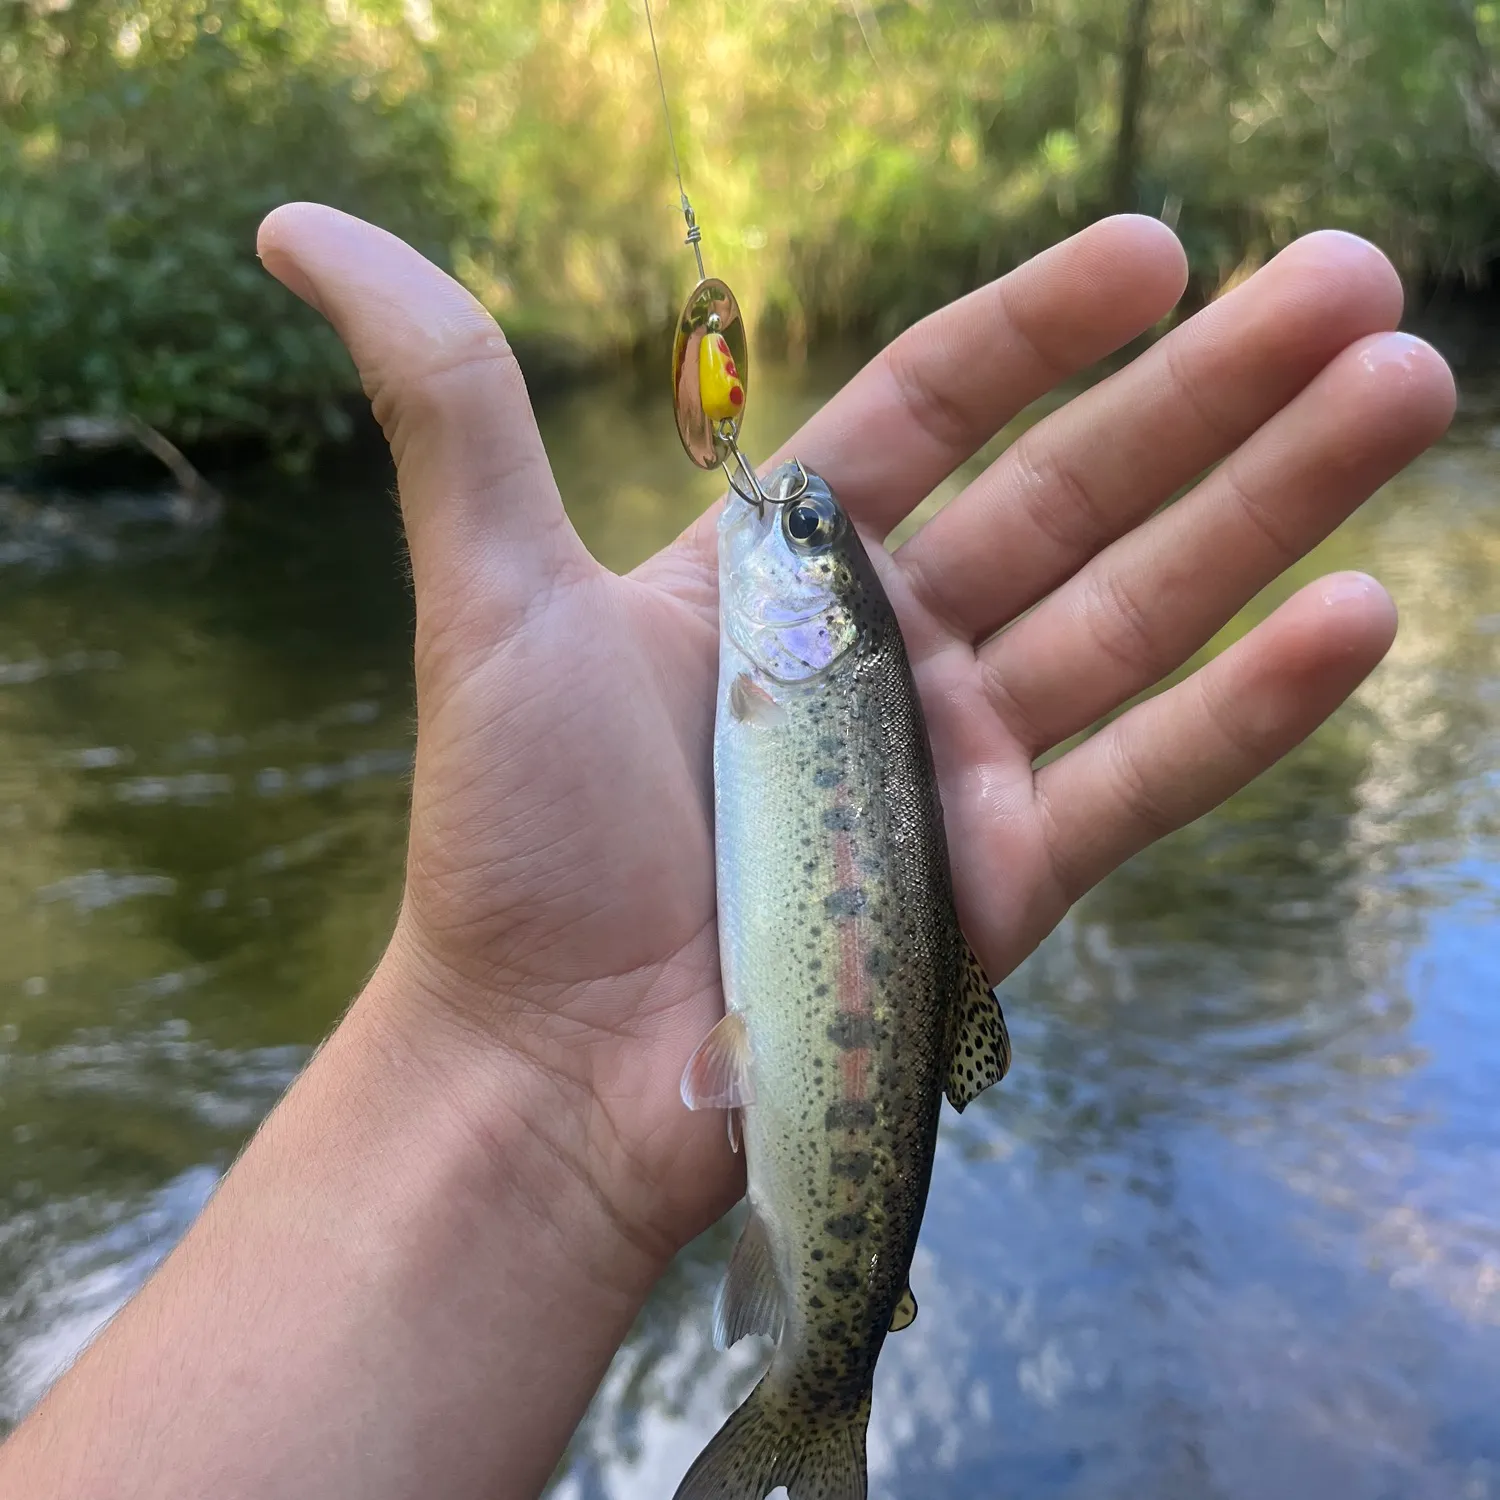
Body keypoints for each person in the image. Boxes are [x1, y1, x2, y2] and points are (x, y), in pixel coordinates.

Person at [0, 205, 1455, 1499]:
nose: (785, 513)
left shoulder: (788, 657)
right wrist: (514, 1056)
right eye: (808, 524)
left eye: (809, 536)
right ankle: (817, 1399)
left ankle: (816, 1398)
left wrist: (522, 1084)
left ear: (822, 625)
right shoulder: (783, 658)